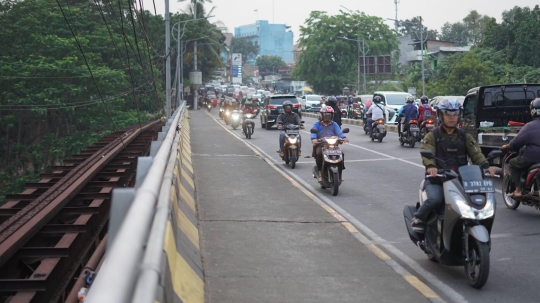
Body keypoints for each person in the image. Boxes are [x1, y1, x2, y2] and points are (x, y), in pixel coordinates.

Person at [411, 98, 496, 232]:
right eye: (448, 114)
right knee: (434, 199)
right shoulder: (432, 135)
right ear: (441, 115)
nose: (452, 118)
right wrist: (431, 167)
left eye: (455, 114)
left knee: (476, 201)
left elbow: (476, 153)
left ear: (459, 116)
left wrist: (486, 166)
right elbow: (426, 153)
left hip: (460, 179)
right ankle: (418, 217)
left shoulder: (465, 136)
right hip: (437, 179)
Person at [501, 98, 540, 197]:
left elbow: (516, 142)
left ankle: (518, 190)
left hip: (534, 157)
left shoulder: (530, 126)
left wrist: (508, 146)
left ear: (533, 111)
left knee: (513, 163)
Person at [310, 106, 349, 182]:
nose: (327, 116)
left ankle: (340, 174)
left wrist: (344, 137)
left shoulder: (334, 124)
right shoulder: (317, 124)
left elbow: (339, 132)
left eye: (329, 115)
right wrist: (314, 139)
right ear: (322, 115)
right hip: (321, 144)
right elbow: (313, 133)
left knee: (341, 154)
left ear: (332, 115)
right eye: (326, 114)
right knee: (318, 154)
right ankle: (320, 173)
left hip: (333, 145)